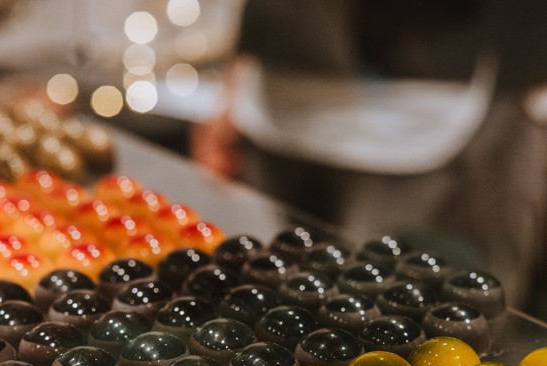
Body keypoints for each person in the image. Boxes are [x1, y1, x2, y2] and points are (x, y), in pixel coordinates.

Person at [191, 0, 547, 313]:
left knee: (436, 329)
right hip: (289, 89)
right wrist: (232, 86)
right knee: (296, 314)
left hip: (434, 100)